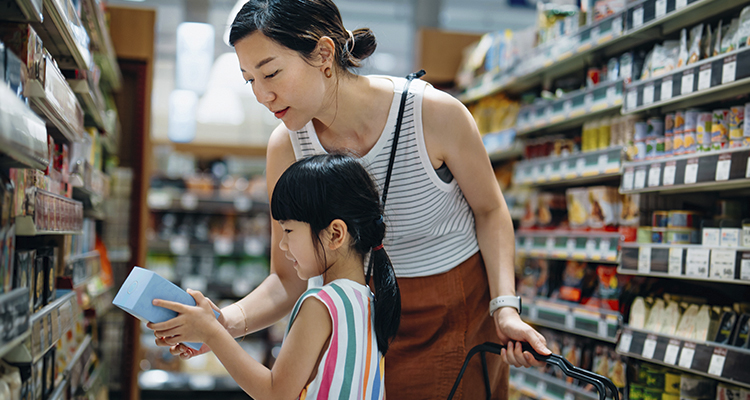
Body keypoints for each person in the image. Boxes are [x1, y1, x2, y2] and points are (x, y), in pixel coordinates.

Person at [151, 0, 551, 398]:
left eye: (271, 72)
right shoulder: (287, 146)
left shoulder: (432, 113)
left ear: (324, 54)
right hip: (358, 321)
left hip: (453, 313)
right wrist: (222, 322)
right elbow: (287, 278)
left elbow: (491, 210)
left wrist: (505, 307)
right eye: (250, 80)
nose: (262, 94)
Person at [149, 154, 399, 399]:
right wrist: (214, 332)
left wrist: (213, 333)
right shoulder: (370, 302)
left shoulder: (321, 304)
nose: (282, 244)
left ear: (335, 234)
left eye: (288, 230)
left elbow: (274, 393)